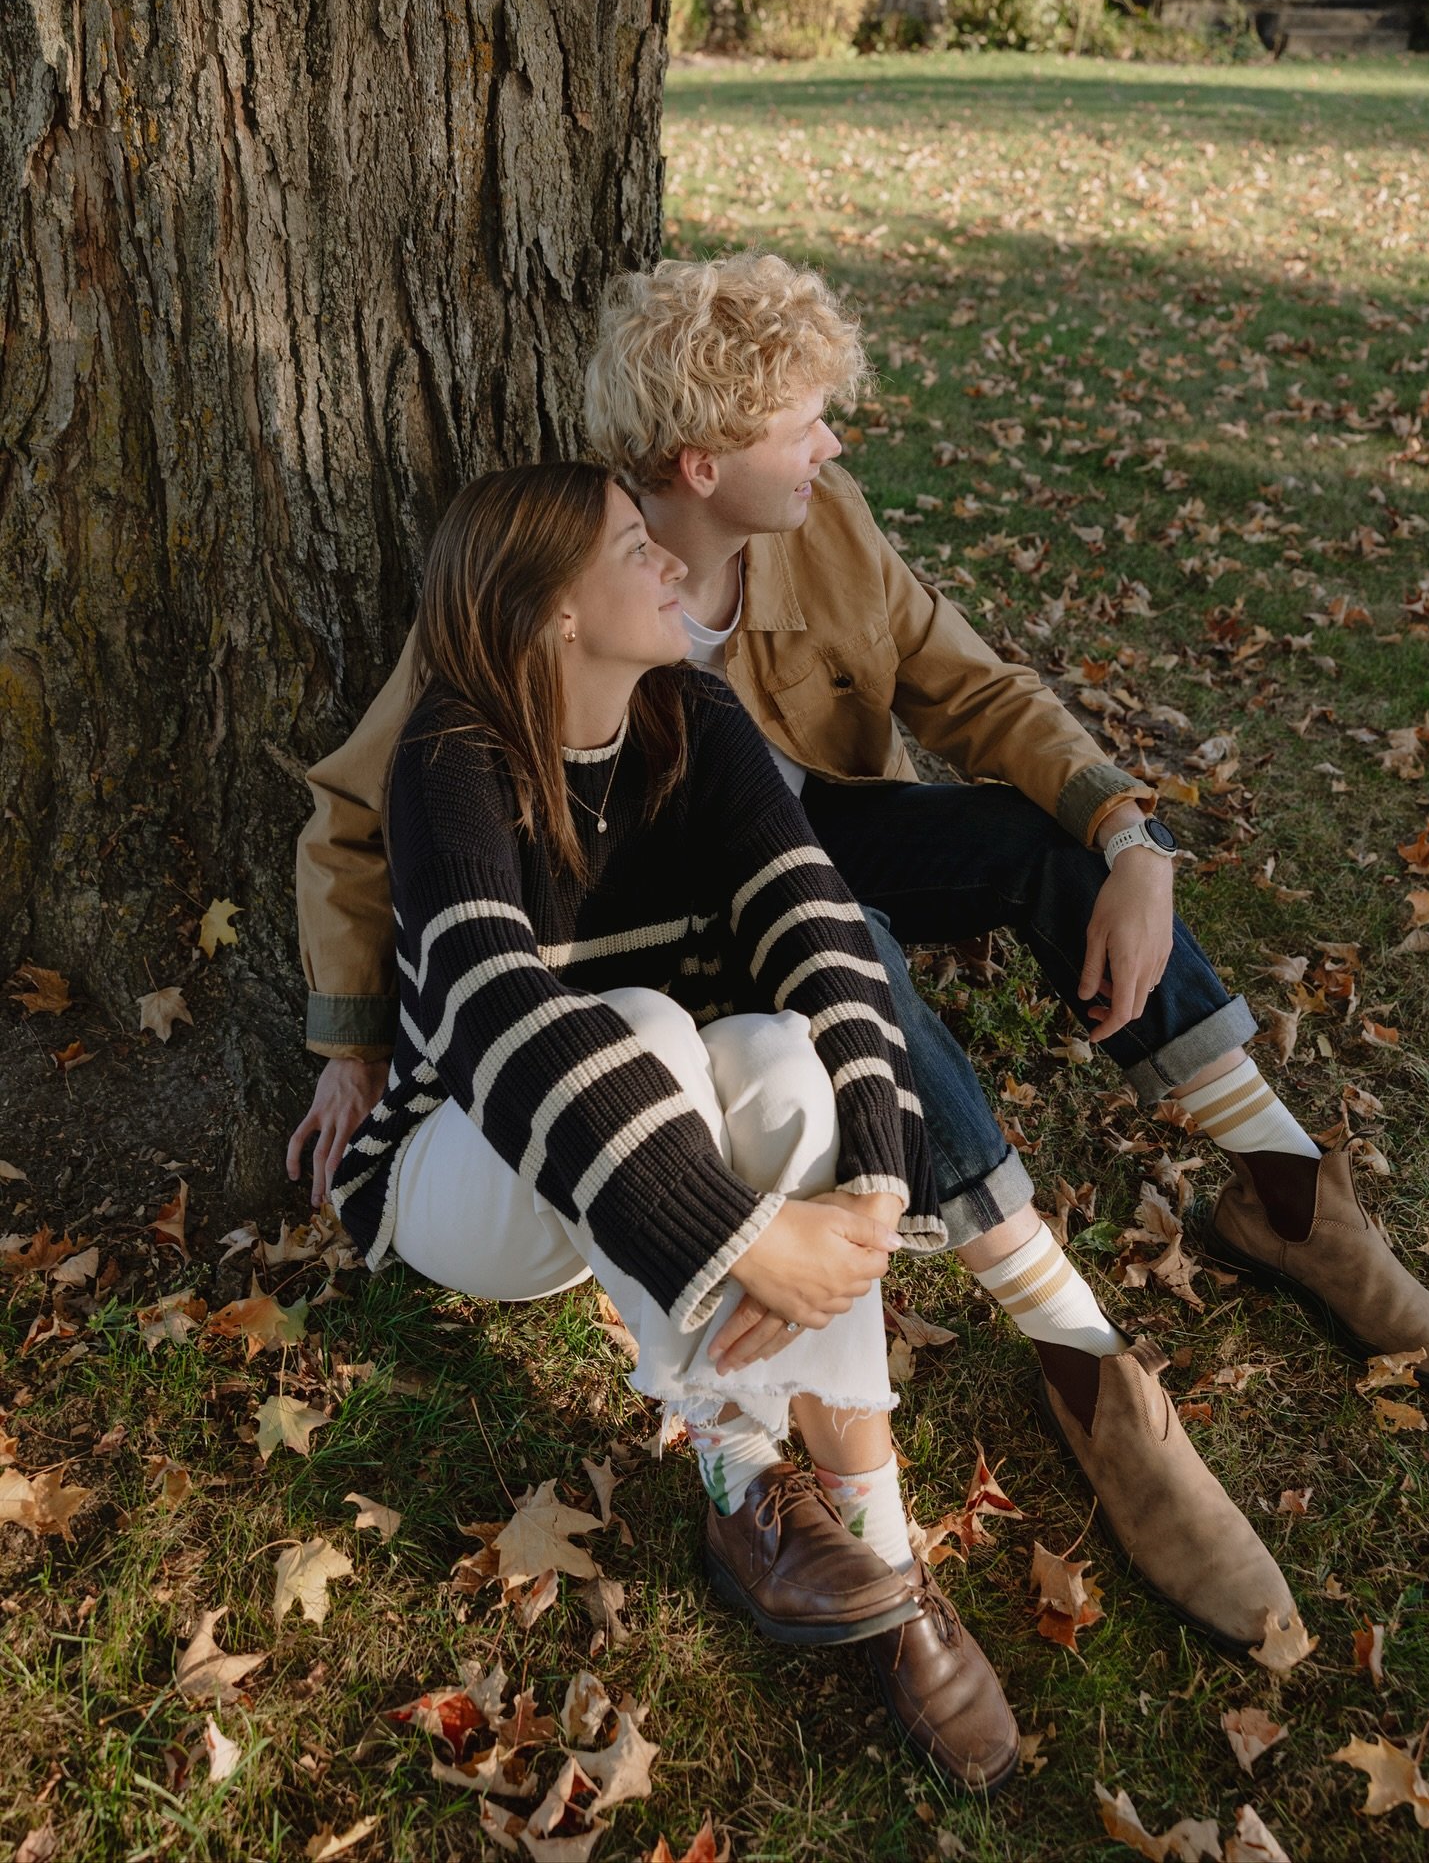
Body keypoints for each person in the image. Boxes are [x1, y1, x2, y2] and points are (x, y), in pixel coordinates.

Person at [288, 253, 1356, 1649]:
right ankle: (1071, 1347)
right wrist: (351, 1038)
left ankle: (1282, 1182)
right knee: (823, 949)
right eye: (805, 421)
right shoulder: (542, 588)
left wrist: (1133, 841)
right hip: (673, 962)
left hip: (805, 849)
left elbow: (967, 687)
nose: (834, 444)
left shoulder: (823, 524)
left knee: (1026, 853)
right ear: (699, 458)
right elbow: (365, 821)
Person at [325, 458, 1022, 1790]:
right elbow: (497, 1017)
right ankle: (729, 1456)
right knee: (629, 1023)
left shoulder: (694, 718)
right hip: (470, 1179)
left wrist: (873, 1190)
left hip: (662, 1147)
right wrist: (743, 1237)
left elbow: (826, 938)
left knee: (774, 1046)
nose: (674, 568)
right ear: (550, 614)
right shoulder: (451, 757)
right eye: (637, 550)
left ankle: (860, 1529)